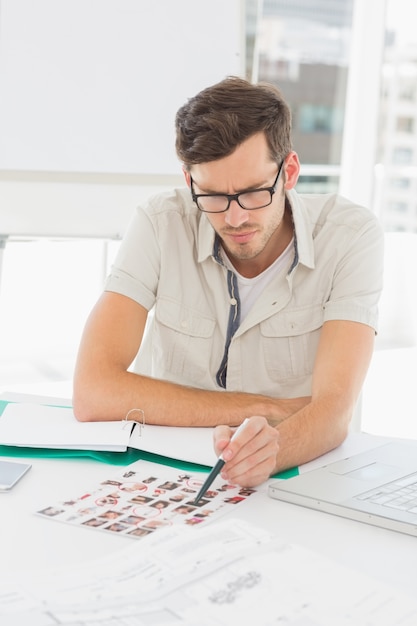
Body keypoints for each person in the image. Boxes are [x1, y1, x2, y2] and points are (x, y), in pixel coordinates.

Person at [73, 76, 384, 488]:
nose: (234, 219)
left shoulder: (350, 235)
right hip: (159, 475)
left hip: (293, 476)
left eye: (255, 193)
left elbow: (333, 414)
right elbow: (94, 391)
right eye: (213, 197)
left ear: (288, 172)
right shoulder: (160, 221)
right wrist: (261, 408)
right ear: (189, 183)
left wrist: (269, 451)